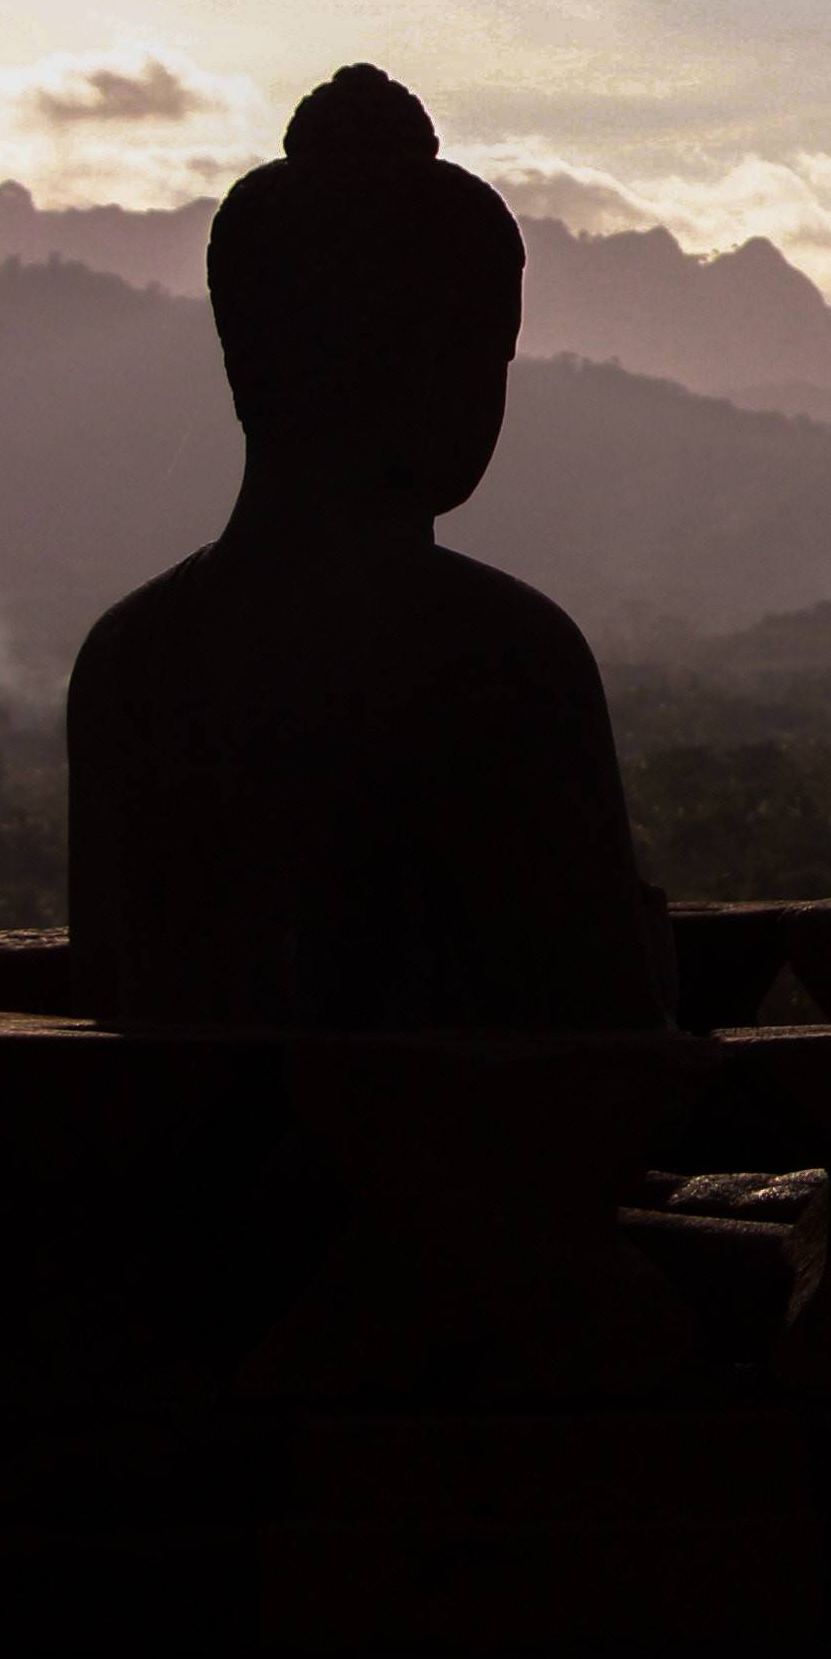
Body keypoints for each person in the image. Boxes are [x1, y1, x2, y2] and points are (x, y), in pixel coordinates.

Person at [67, 65, 668, 1030]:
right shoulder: (506, 653)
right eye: (485, 354)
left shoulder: (129, 656)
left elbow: (116, 1002)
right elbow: (593, 1034)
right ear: (427, 363)